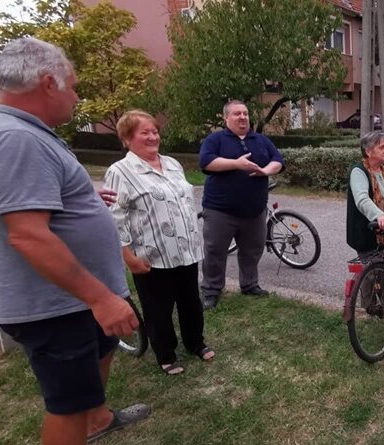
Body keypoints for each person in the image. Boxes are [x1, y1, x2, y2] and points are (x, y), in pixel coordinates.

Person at [0, 37, 148, 445]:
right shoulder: (14, 138)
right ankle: (86, 418)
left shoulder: (20, 131)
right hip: (54, 303)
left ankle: (98, 419)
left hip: (71, 300)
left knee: (95, 361)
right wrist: (100, 298)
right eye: (74, 85)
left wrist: (80, 201)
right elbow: (28, 234)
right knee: (67, 404)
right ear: (49, 83)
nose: (77, 96)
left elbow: (34, 207)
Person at [104, 110, 214, 375]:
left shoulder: (172, 163)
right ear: (127, 138)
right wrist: (127, 255)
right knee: (158, 309)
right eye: (145, 132)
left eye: (155, 131)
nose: (153, 136)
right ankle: (165, 353)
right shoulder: (120, 171)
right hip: (151, 255)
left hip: (186, 250)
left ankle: (195, 343)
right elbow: (114, 216)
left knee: (191, 303)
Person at [199, 100, 284, 309]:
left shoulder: (260, 140)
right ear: (226, 118)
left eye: (245, 113)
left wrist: (265, 171)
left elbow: (278, 160)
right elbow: (206, 162)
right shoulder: (215, 139)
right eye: (237, 114)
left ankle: (249, 284)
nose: (243, 117)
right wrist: (237, 164)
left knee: (252, 250)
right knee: (215, 251)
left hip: (254, 210)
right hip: (220, 210)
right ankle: (211, 289)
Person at [346, 131, 384, 257]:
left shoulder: (381, 171)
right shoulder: (359, 171)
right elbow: (362, 200)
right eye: (382, 147)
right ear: (368, 151)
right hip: (368, 237)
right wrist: (379, 215)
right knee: (373, 274)